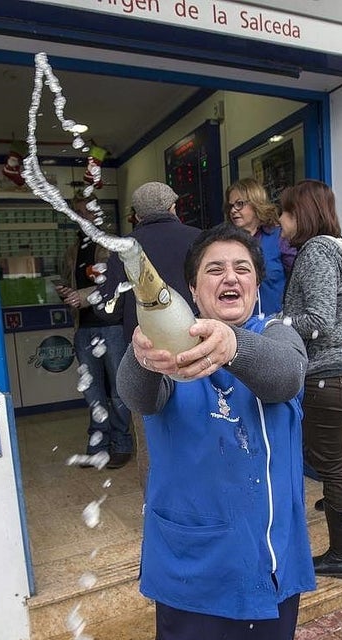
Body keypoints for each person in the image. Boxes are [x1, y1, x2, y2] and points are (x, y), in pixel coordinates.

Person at [117, 223, 314, 640]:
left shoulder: (278, 336)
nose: (231, 277)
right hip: (197, 545)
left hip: (269, 541)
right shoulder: (166, 348)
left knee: (269, 635)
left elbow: (284, 379)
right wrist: (141, 355)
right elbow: (137, 397)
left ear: (256, 285)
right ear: (193, 290)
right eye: (214, 269)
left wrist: (232, 345)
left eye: (242, 268)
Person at [277, 180, 342, 581]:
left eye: (286, 212)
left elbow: (318, 320)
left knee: (327, 465)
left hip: (329, 375)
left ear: (303, 214)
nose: (280, 220)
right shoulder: (334, 248)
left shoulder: (315, 252)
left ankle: (341, 557)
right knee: (319, 454)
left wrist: (275, 323)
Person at [100, 181, 201, 487]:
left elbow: (109, 307)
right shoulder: (200, 239)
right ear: (174, 207)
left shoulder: (124, 249)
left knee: (151, 438)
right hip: (195, 350)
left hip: (146, 358)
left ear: (136, 215)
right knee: (200, 429)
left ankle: (155, 504)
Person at [56, 195, 134, 469]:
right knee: (92, 392)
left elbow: (122, 283)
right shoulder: (71, 250)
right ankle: (98, 445)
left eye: (85, 211)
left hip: (111, 327)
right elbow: (70, 284)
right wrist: (66, 292)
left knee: (118, 390)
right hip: (83, 329)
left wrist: (84, 296)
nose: (81, 216)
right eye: (76, 212)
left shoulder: (112, 245)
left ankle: (122, 445)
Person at [224, 178, 294, 316]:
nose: (233, 210)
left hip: (275, 325)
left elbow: (298, 278)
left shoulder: (279, 237)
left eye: (239, 204)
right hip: (239, 327)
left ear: (256, 203)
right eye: (230, 206)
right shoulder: (225, 242)